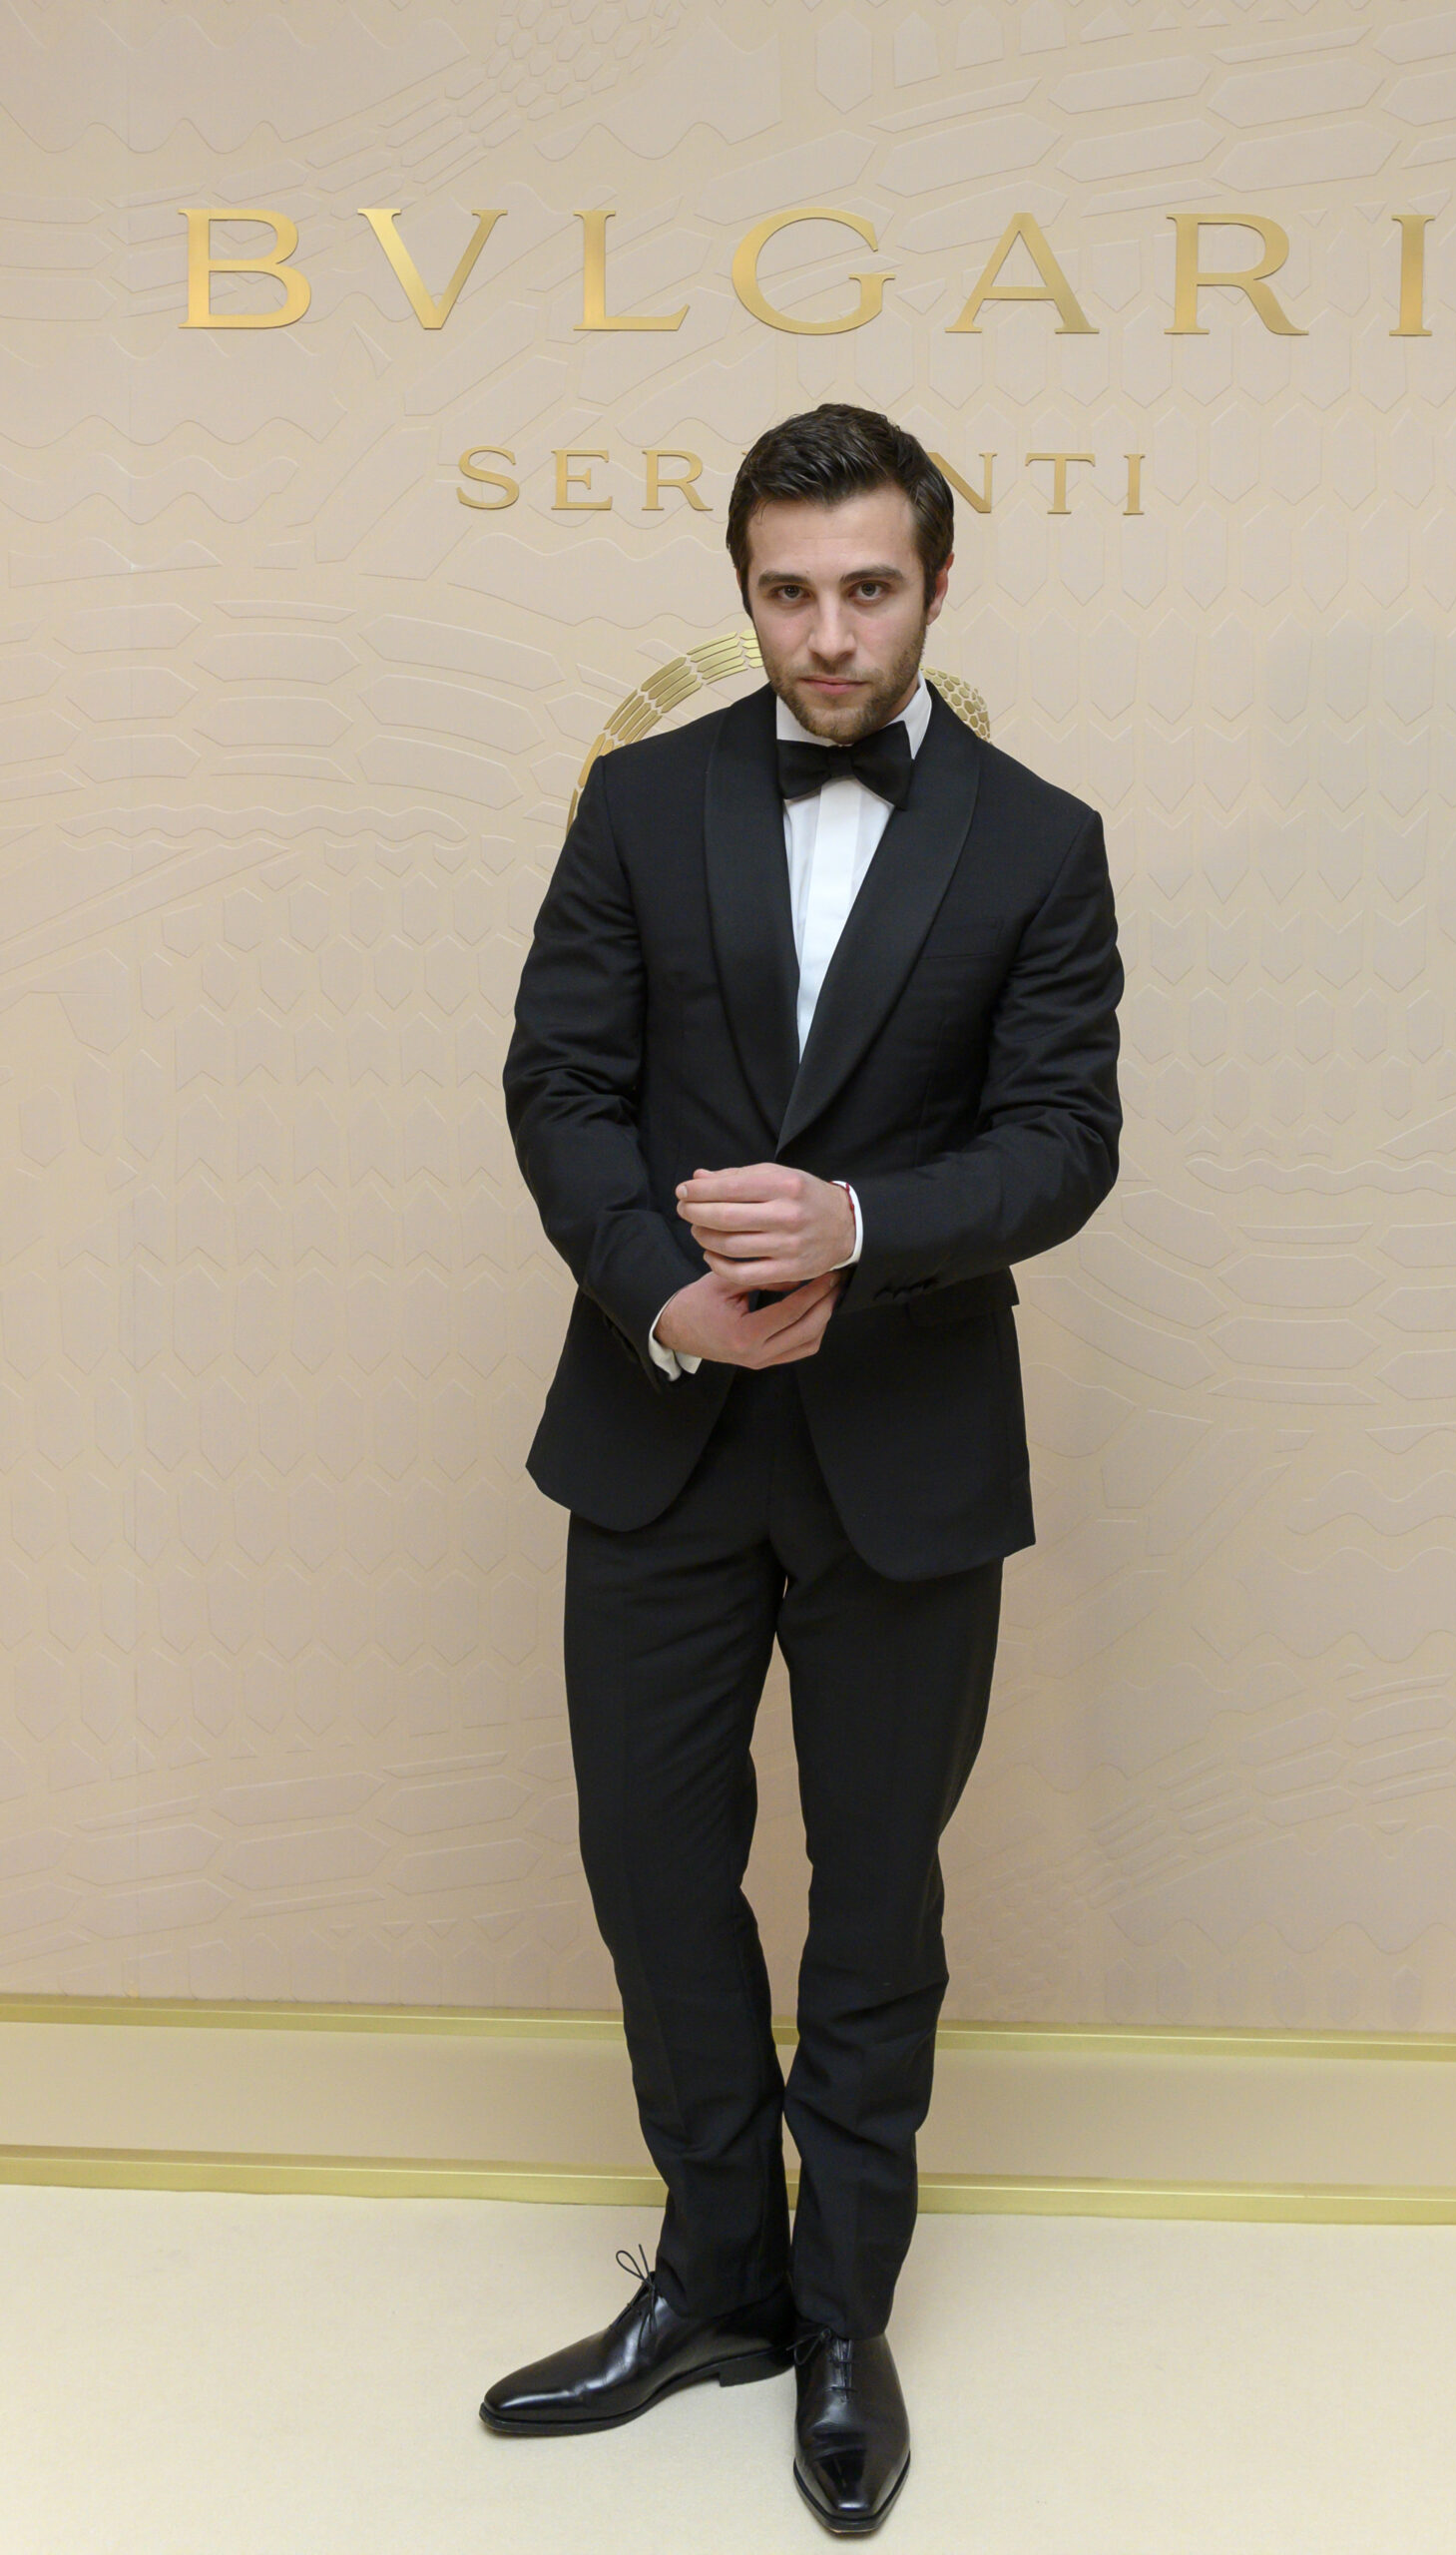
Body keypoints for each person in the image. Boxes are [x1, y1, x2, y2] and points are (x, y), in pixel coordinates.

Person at [485, 401, 1122, 2535]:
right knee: (652, 1868)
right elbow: (559, 1081)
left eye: (866, 588)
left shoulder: (1041, 841)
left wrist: (862, 1227)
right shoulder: (640, 800)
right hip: (659, 1426)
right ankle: (717, 2280)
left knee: (876, 1891)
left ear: (936, 582)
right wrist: (667, 1290)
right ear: (742, 591)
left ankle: (845, 2314)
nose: (828, 634)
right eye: (787, 591)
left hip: (907, 1454)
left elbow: (1065, 1141)